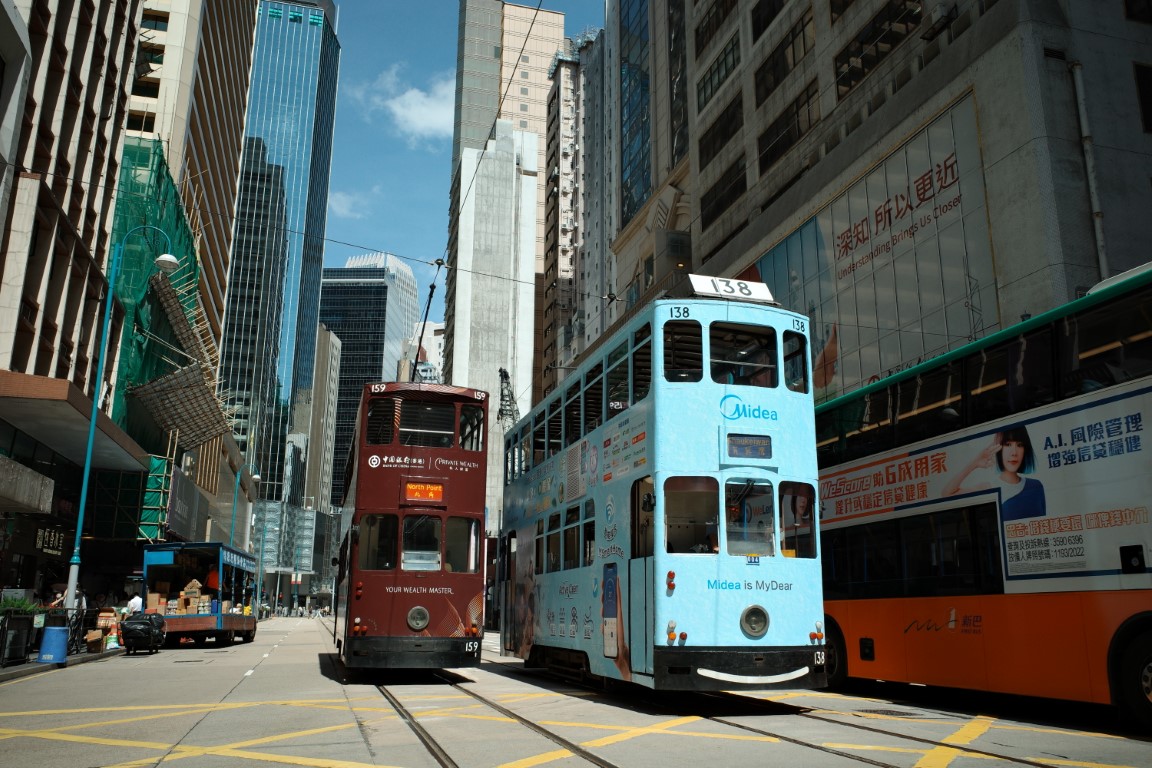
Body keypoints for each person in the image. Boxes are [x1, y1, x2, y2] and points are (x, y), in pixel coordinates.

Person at [943, 425, 1046, 521]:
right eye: (1008, 444)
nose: (1014, 452)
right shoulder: (989, 487)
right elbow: (947, 495)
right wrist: (974, 463)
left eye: (1019, 445)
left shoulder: (1036, 485)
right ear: (999, 448)